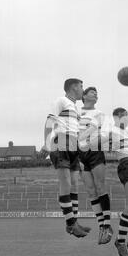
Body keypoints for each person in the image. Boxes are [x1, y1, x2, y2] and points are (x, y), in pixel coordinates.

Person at [85, 107, 128, 256]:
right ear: (115, 119)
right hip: (126, 164)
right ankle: (120, 240)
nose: (124, 118)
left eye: (126, 115)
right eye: (120, 116)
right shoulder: (111, 131)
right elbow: (93, 143)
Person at [40, 78, 91, 238]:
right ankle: (71, 224)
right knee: (66, 183)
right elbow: (50, 121)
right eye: (81, 86)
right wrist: (47, 144)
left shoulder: (75, 108)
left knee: (75, 185)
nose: (83, 89)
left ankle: (73, 222)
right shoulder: (61, 100)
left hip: (73, 145)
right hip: (61, 142)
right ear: (73, 87)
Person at [78, 87, 113, 245]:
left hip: (95, 151)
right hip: (80, 154)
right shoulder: (76, 113)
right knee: (91, 191)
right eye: (92, 92)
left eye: (97, 93)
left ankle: (107, 225)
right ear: (84, 96)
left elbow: (105, 134)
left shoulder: (99, 114)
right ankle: (101, 226)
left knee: (100, 187)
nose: (95, 94)